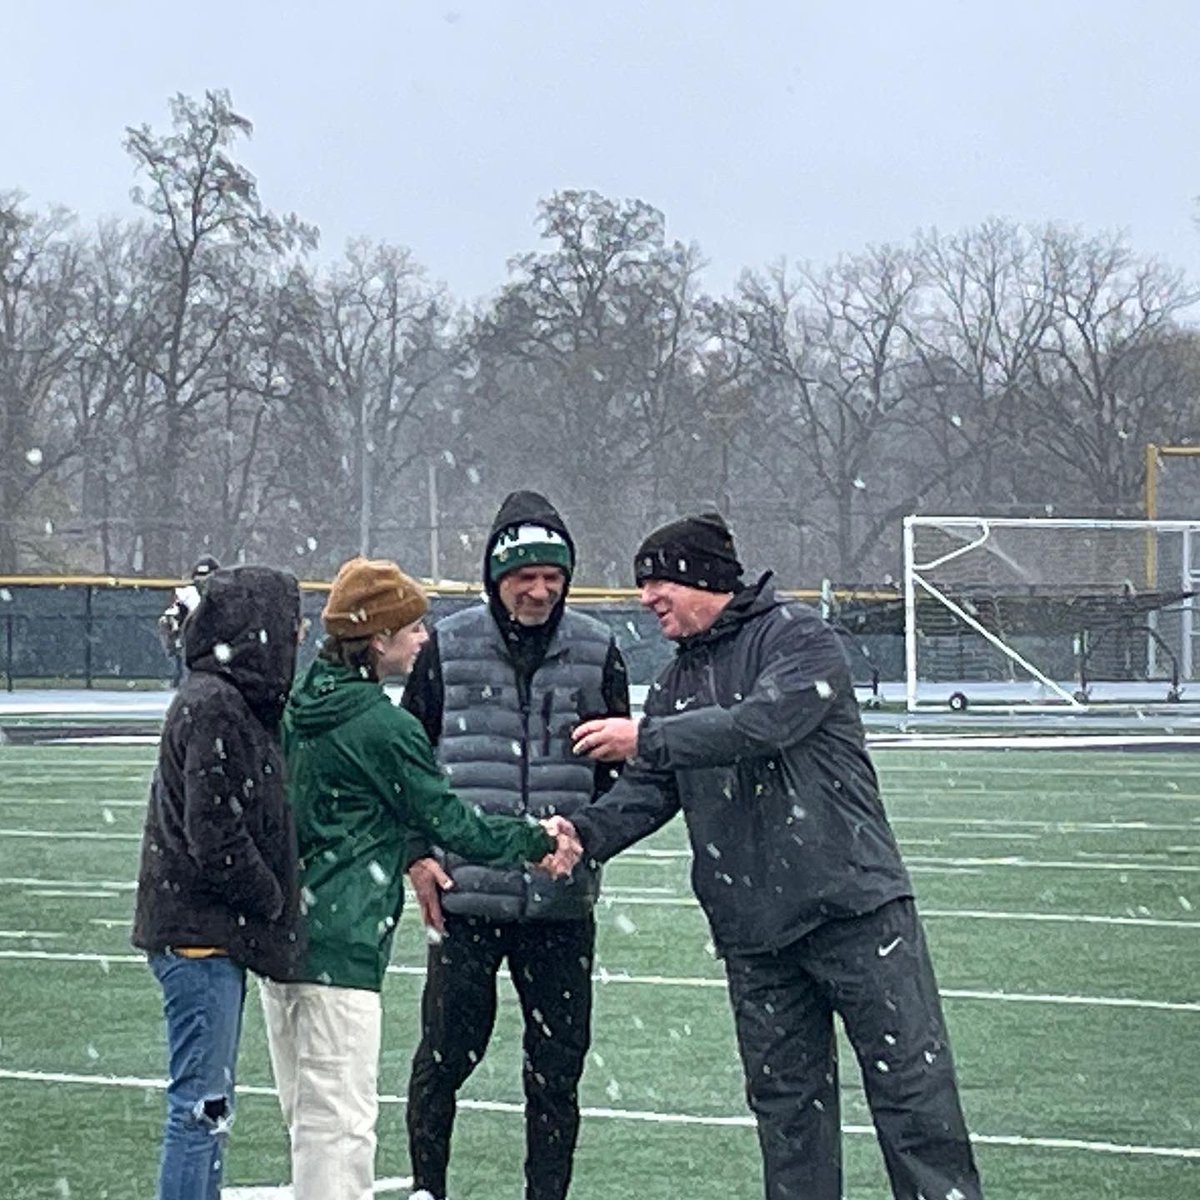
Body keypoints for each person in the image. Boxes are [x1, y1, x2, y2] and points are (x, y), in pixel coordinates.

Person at [556, 512, 985, 1200]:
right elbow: (647, 792)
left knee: (914, 1102)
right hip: (754, 935)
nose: (646, 598)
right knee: (788, 1119)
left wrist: (649, 737)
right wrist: (583, 835)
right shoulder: (672, 683)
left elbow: (763, 723)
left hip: (856, 912)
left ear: (704, 579)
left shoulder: (802, 640)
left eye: (658, 580)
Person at [260, 556, 571, 1200]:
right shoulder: (383, 726)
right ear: (378, 639)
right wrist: (536, 838)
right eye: (413, 627)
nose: (424, 638)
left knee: (306, 1122)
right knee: (341, 1130)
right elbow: (455, 824)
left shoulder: (294, 707)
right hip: (342, 947)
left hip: (281, 936)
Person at [403, 490, 630, 1200]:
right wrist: (417, 851)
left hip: (561, 908)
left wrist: (587, 843)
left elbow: (625, 783)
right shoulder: (446, 645)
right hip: (466, 898)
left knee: (558, 1072)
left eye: (552, 576)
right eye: (522, 576)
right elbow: (404, 760)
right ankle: (426, 1191)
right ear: (495, 577)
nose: (538, 590)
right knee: (444, 1061)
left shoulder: (598, 649)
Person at [133, 565, 306, 1200]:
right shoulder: (215, 706)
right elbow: (214, 833)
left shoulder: (221, 699)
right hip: (196, 938)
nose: (300, 633)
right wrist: (272, 896)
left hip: (200, 932)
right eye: (290, 623)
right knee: (201, 1107)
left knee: (207, 1104)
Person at [158, 555, 221, 685]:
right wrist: (174, 638)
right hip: (192, 645)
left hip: (217, 646)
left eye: (208, 576)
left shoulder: (226, 594)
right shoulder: (186, 594)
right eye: (200, 576)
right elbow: (169, 619)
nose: (203, 580)